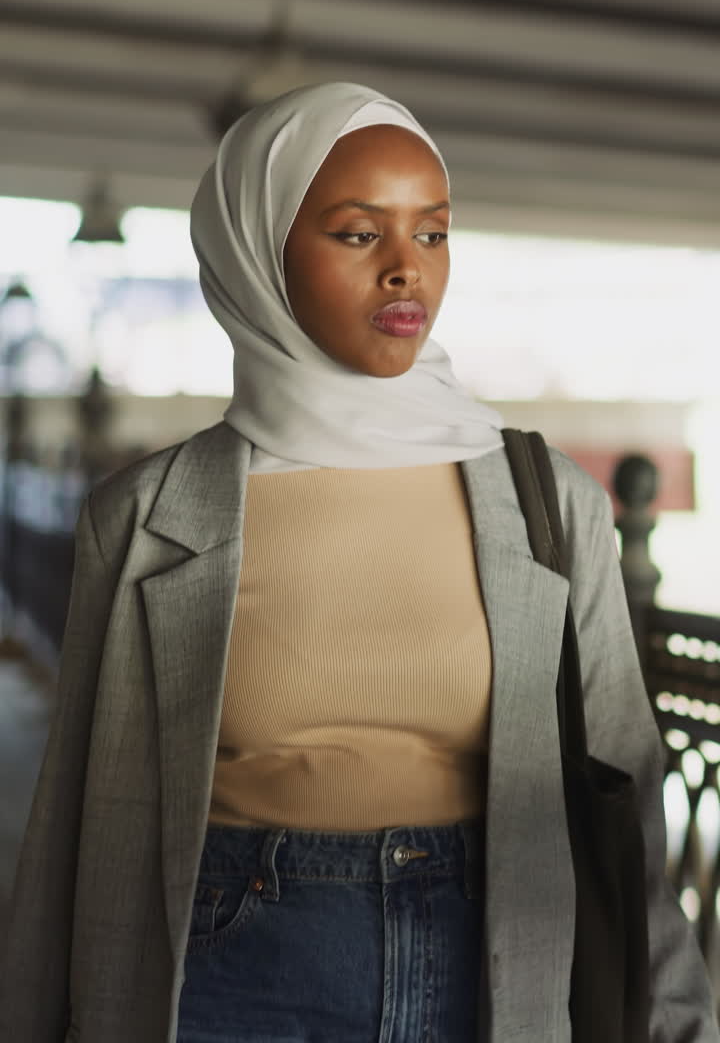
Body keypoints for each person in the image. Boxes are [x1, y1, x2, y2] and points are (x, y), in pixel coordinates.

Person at [0, 81, 716, 1043]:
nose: (404, 272)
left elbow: (627, 800)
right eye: (356, 233)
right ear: (258, 252)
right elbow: (76, 829)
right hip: (219, 971)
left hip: (495, 964)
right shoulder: (145, 517)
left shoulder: (547, 502)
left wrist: (681, 1023)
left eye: (432, 233)